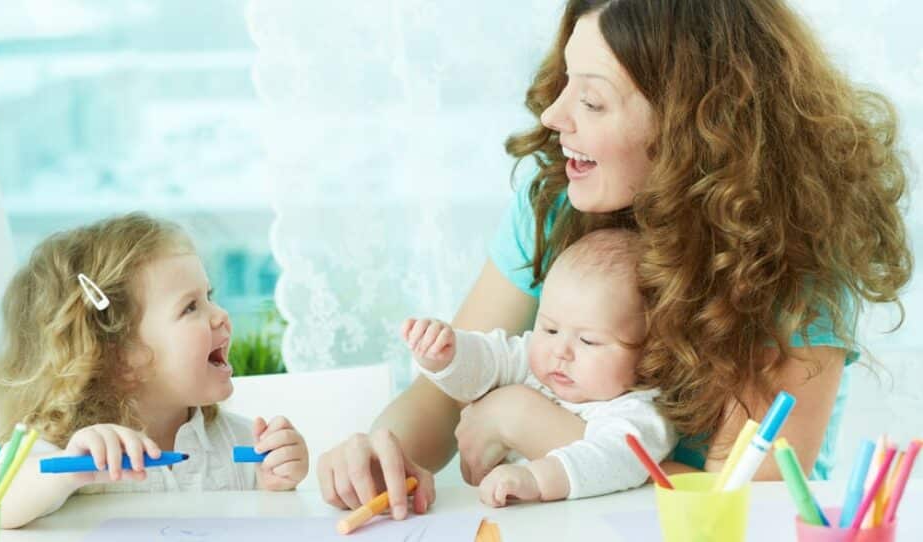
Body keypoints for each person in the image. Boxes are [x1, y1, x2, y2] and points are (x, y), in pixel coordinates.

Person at [317, 0, 910, 521]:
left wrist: (525, 420)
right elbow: (443, 394)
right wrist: (380, 451)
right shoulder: (554, 208)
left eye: (592, 100)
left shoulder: (791, 272)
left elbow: (735, 500)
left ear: (693, 127)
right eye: (566, 82)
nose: (553, 116)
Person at [0, 213, 309, 528]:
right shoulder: (65, 445)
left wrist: (274, 485)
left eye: (208, 297)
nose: (221, 315)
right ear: (119, 356)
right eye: (190, 307)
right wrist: (69, 469)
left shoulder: (242, 444)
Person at [405, 228, 675, 506]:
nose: (560, 351)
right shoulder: (534, 359)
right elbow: (487, 361)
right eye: (550, 329)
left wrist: (537, 478)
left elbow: (613, 460)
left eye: (588, 340)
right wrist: (446, 355)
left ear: (649, 354)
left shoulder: (639, 413)